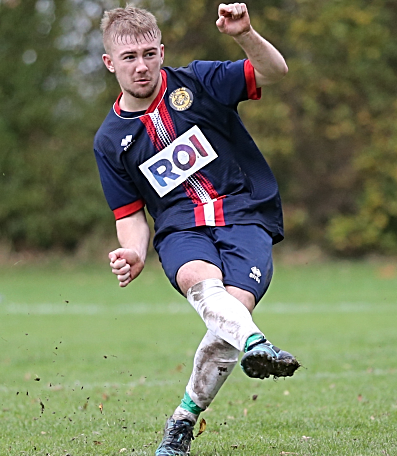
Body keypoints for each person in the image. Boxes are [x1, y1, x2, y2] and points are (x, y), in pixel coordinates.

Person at [93, 3, 299, 455]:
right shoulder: (110, 140)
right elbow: (130, 216)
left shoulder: (199, 81)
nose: (141, 66)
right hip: (181, 228)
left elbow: (275, 71)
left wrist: (245, 34)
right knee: (199, 282)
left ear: (162, 51)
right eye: (129, 58)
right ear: (110, 63)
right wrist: (134, 254)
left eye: (149, 53)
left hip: (245, 214)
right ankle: (258, 345)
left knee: (232, 311)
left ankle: (183, 420)